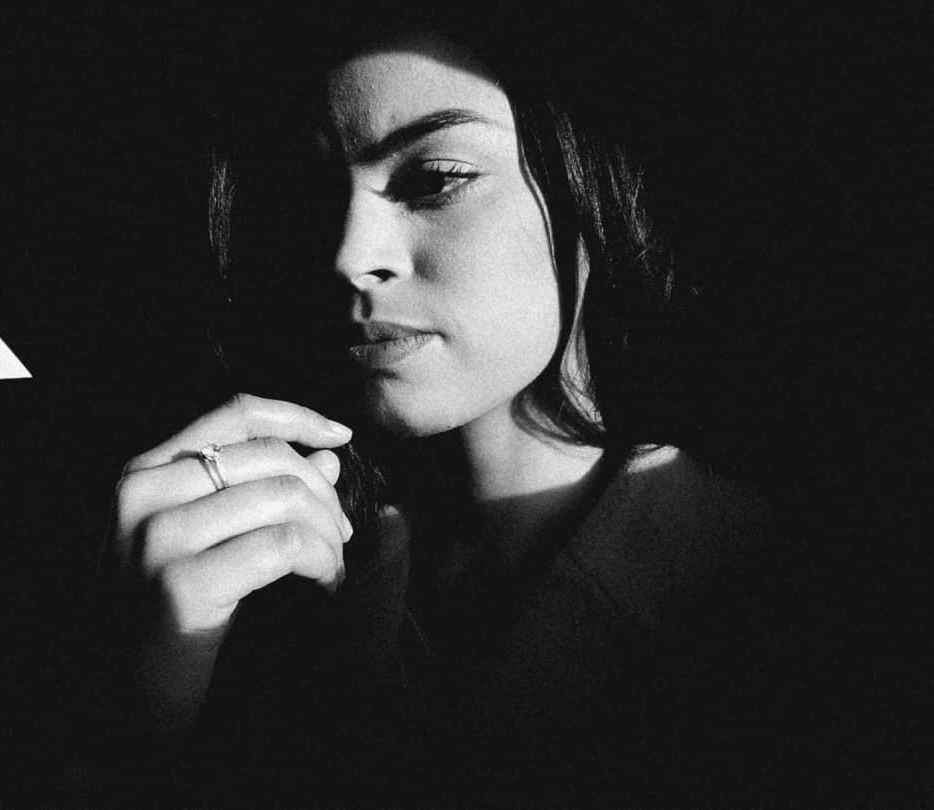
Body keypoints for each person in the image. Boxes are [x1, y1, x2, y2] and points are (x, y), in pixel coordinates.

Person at [79, 8, 824, 807]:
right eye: (312, 193)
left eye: (434, 179)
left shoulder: (771, 604)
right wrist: (148, 708)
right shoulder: (279, 569)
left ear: (595, 182)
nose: (348, 255)